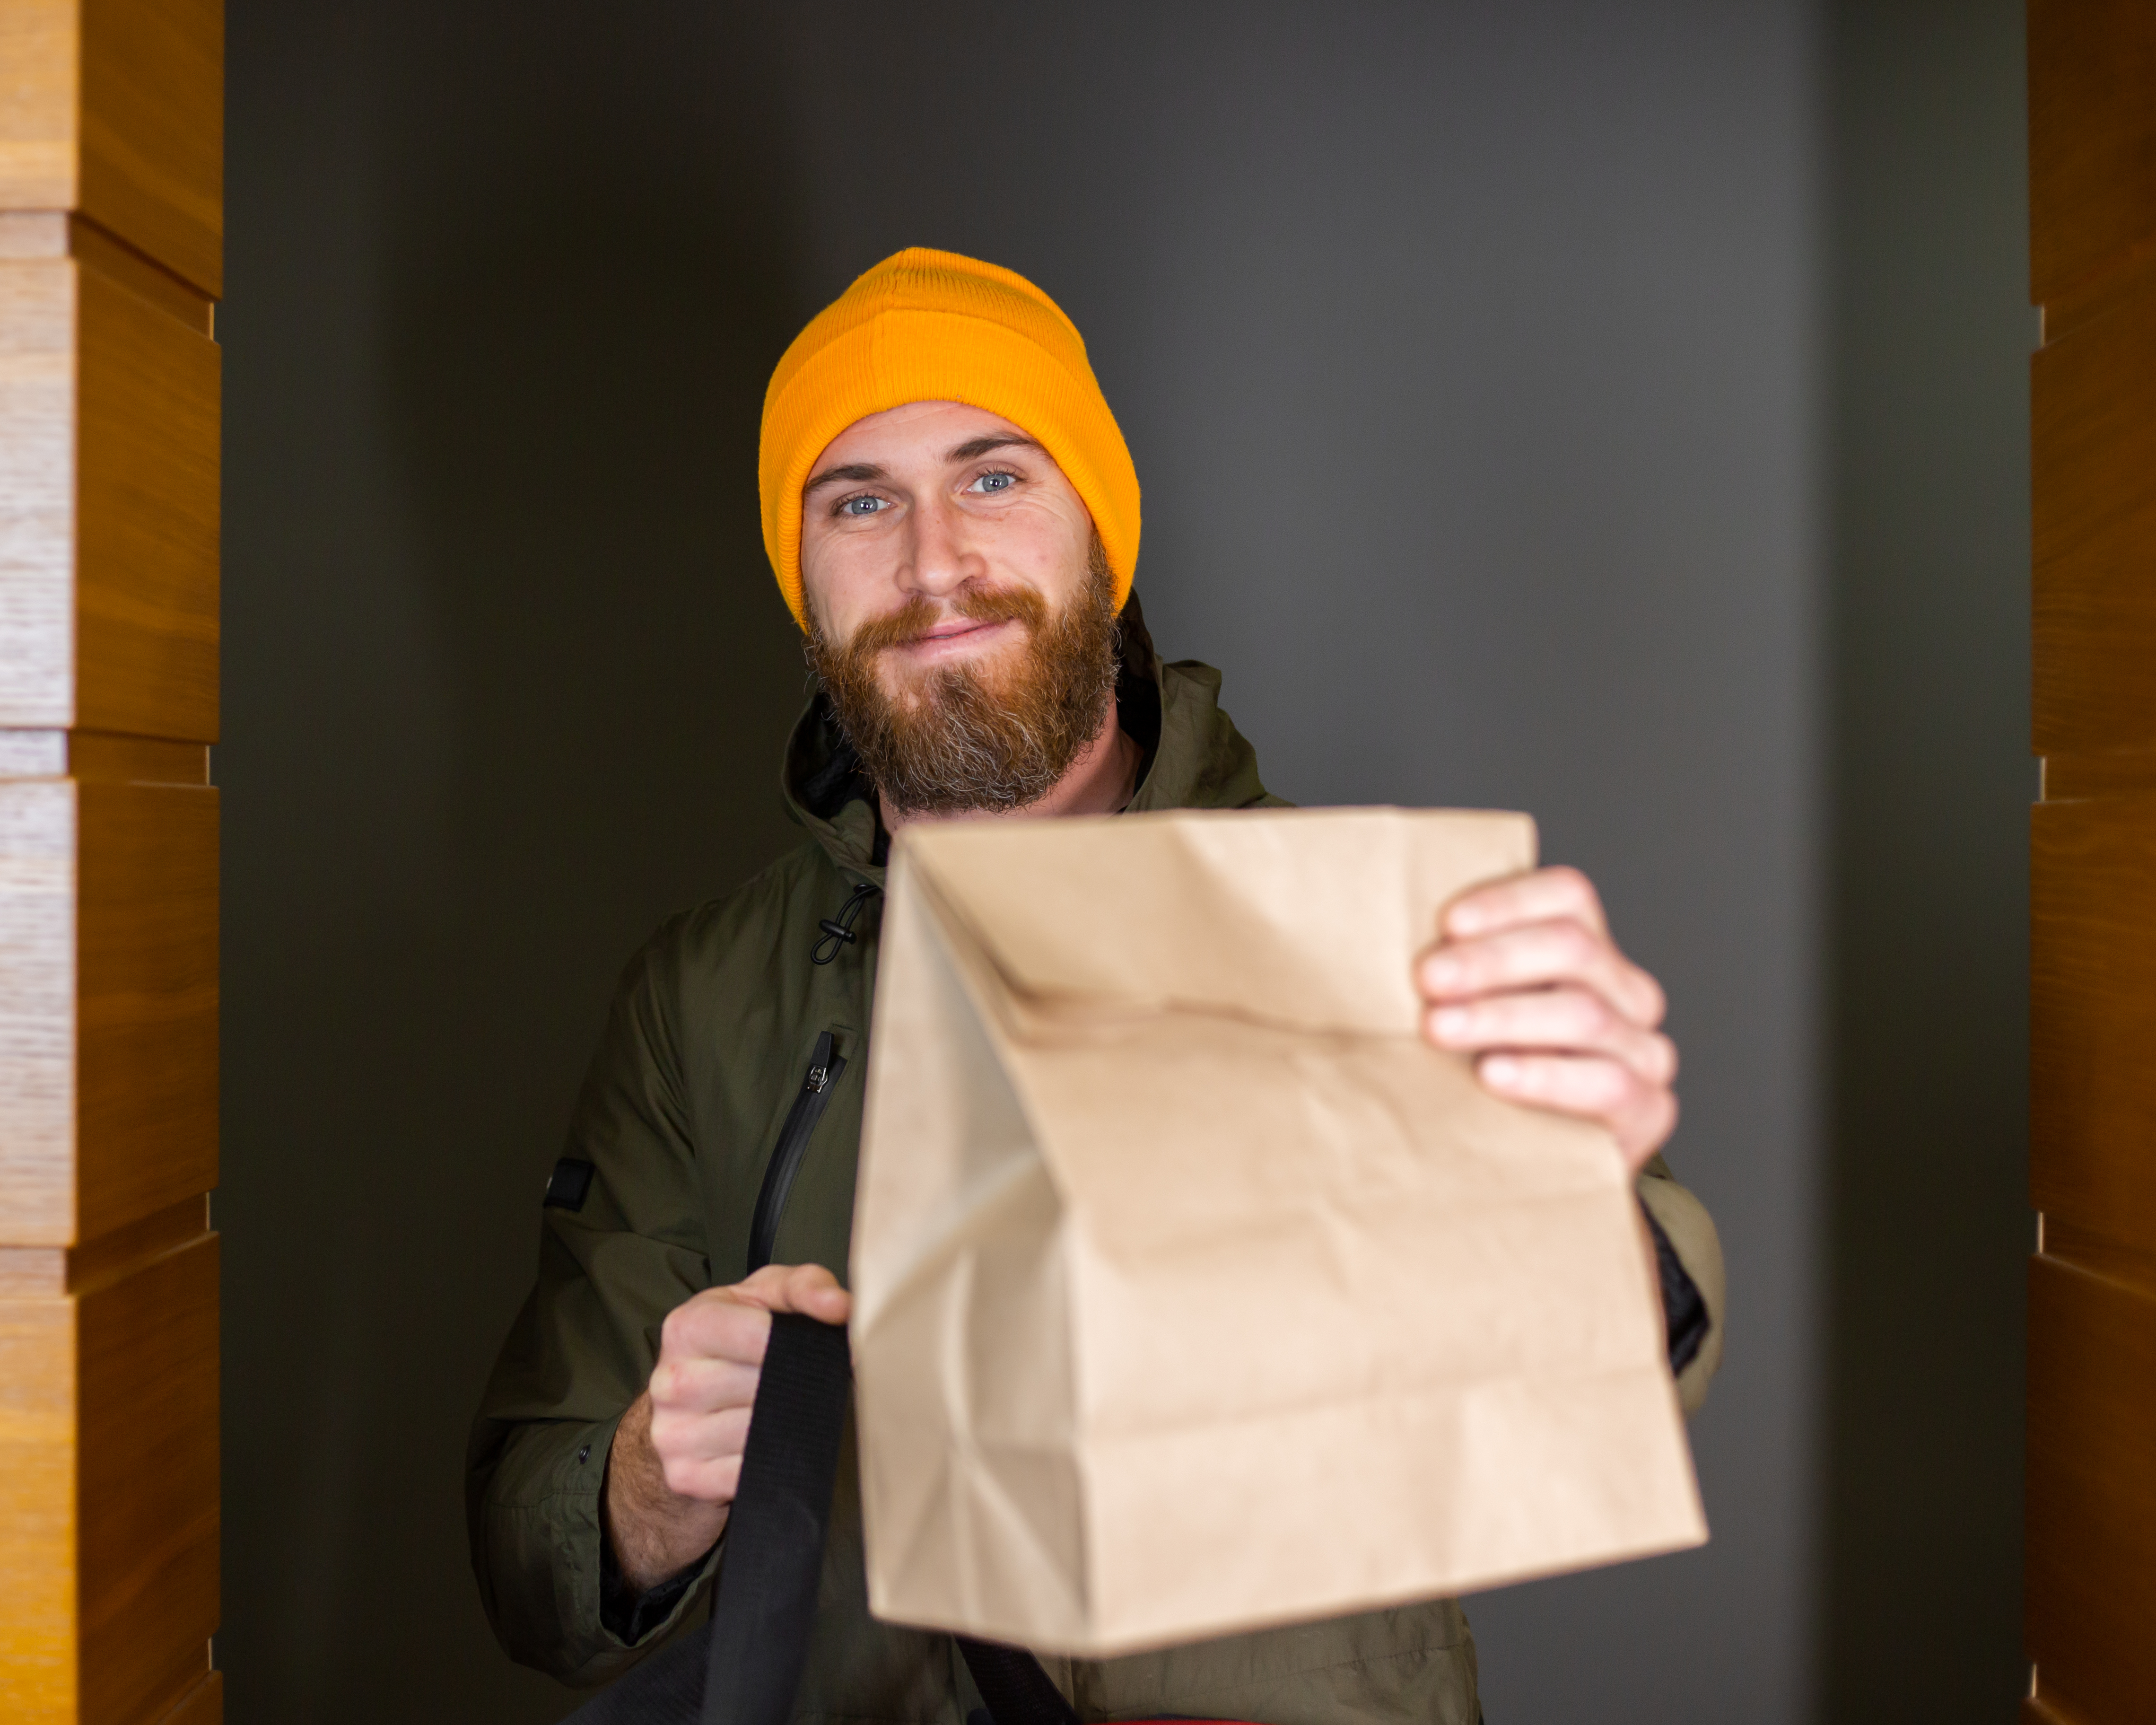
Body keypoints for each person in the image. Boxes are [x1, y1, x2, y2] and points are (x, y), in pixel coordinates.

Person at [468, 248, 1725, 1725]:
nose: (934, 563)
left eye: (994, 477)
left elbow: (1598, 1371)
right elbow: (528, 1567)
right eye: (859, 500)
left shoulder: (1351, 934)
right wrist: (645, 1489)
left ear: (1102, 539)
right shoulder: (696, 1002)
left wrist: (1590, 1203)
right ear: (800, 581)